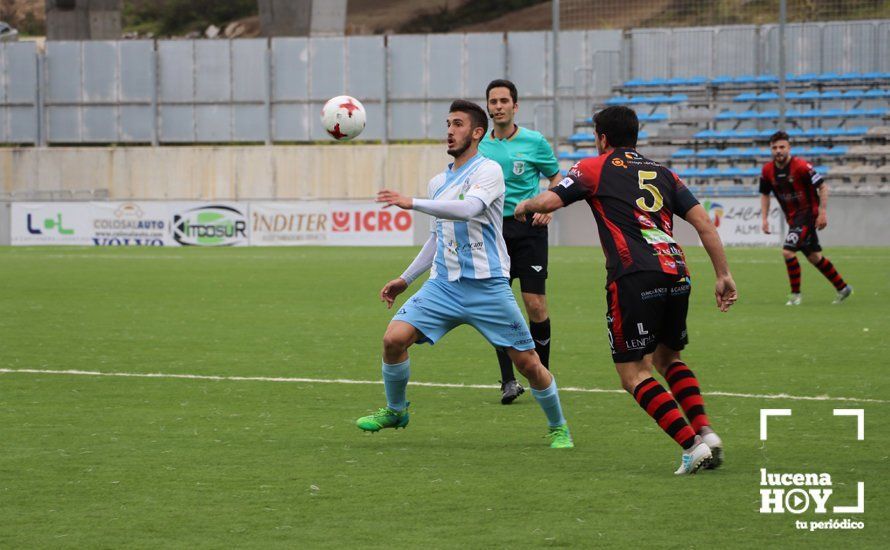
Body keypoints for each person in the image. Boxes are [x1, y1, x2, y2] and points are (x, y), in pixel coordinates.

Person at [513, 106, 738, 474]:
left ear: (602, 138)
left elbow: (551, 200)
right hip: (676, 271)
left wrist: (524, 206)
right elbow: (704, 225)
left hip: (634, 275)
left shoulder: (593, 167)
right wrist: (723, 274)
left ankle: (691, 445)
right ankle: (706, 433)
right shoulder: (664, 173)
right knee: (668, 360)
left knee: (633, 374)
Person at [355, 99, 573, 449]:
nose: (450, 130)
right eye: (447, 124)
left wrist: (412, 202)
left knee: (528, 364)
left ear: (476, 132)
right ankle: (397, 410)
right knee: (393, 340)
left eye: (457, 124)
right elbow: (436, 236)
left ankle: (558, 426)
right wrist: (405, 279)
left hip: (488, 288)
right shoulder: (438, 181)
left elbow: (470, 209)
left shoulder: (489, 171)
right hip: (443, 286)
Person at [478, 79, 563, 405]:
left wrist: (548, 207)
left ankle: (542, 374)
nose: (498, 106)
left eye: (503, 101)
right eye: (493, 101)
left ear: (515, 106)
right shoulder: (480, 146)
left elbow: (557, 177)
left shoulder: (534, 142)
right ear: (488, 107)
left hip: (528, 230)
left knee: (535, 304)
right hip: (492, 232)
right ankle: (509, 381)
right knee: (499, 306)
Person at [760, 131, 852, 305]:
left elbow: (823, 187)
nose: (778, 150)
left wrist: (822, 212)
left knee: (787, 251)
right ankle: (843, 288)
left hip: (808, 215)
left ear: (789, 148)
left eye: (782, 147)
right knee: (814, 257)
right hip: (793, 219)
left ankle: (795, 295)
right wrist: (764, 219)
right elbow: (765, 194)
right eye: (775, 147)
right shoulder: (767, 171)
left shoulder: (802, 167)